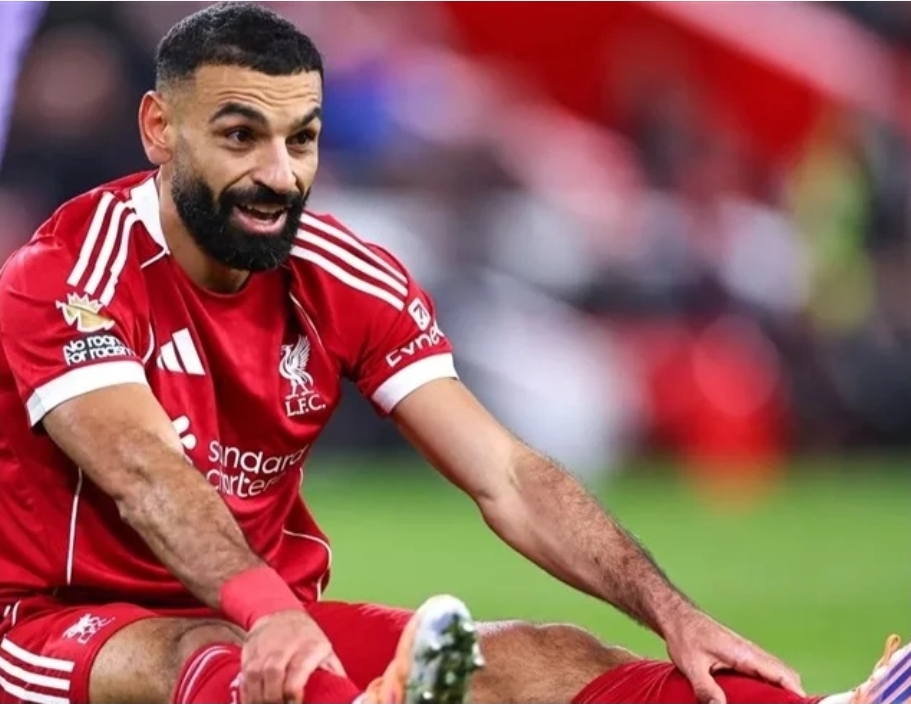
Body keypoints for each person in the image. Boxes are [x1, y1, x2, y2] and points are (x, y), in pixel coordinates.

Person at [0, 4, 906, 704]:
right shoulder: (65, 274)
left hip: (264, 621)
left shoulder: (342, 274)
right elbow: (149, 478)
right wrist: (270, 610)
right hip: (59, 629)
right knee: (208, 653)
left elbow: (504, 474)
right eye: (240, 136)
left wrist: (671, 611)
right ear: (161, 129)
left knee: (542, 657)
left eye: (301, 139)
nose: (278, 174)